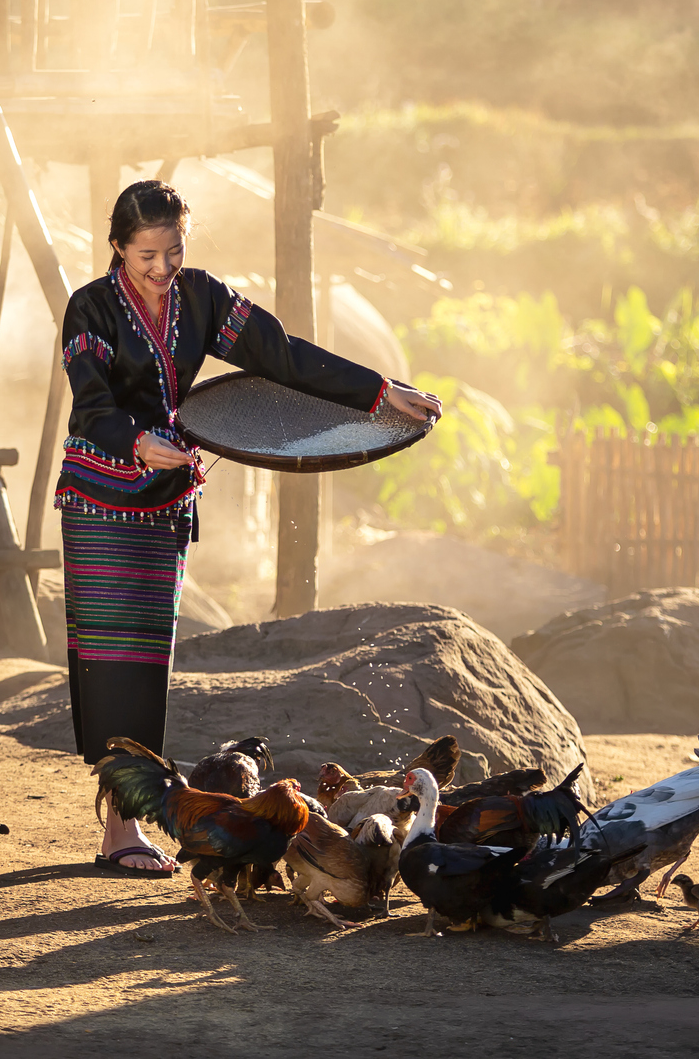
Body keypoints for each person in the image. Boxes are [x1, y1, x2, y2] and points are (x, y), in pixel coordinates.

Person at [57, 181, 439, 874]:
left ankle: (121, 826)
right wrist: (135, 441)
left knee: (147, 662)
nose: (162, 267)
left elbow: (280, 353)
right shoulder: (90, 308)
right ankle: (122, 828)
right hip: (100, 496)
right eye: (146, 255)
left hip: (165, 497)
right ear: (117, 247)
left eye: (173, 251)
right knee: (111, 661)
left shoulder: (202, 298)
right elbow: (91, 405)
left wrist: (380, 392)